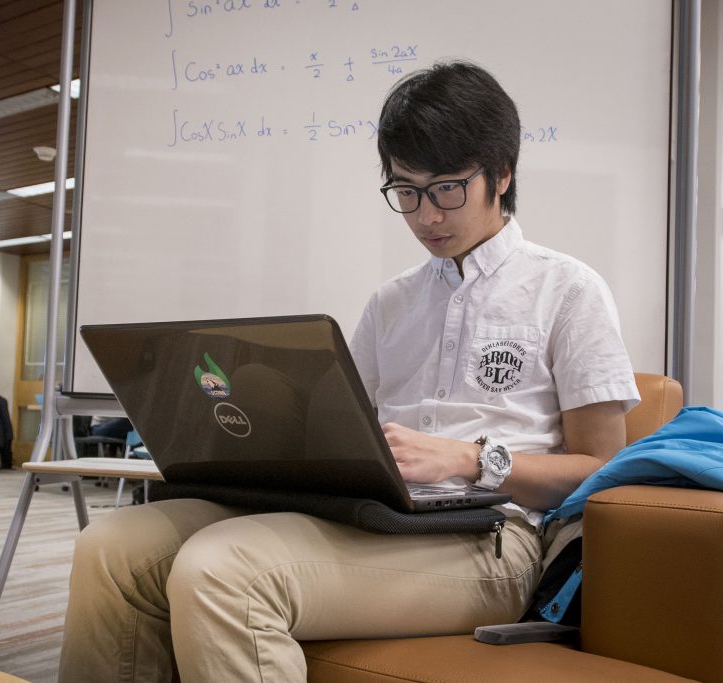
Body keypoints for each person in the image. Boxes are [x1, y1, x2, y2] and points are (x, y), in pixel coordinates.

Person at [57, 61, 641, 682]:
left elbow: (601, 470)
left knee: (221, 569)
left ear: (501, 173)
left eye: (446, 188)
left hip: (490, 540)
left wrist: (466, 459)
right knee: (111, 547)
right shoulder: (391, 302)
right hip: (373, 516)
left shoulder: (569, 290)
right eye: (406, 191)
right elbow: (339, 433)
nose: (425, 216)